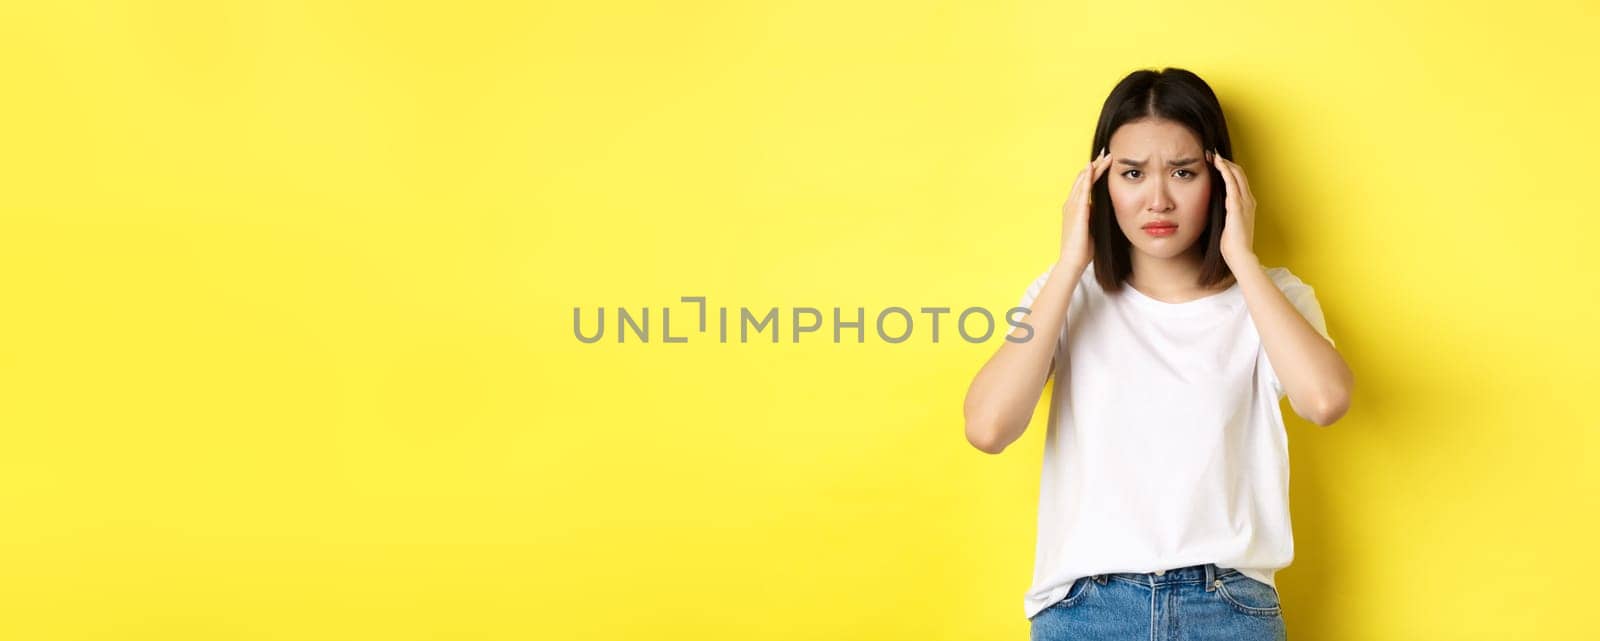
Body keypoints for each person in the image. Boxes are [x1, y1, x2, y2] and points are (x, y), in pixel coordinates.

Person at [962, 68, 1354, 641]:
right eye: (1132, 174)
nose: (1158, 199)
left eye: (1183, 171)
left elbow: (1325, 401)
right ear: (1100, 183)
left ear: (1222, 178)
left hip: (1227, 608)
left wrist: (1242, 260)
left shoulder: (1273, 296)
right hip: (1086, 609)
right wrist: (1071, 263)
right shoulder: (1065, 295)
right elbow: (988, 426)